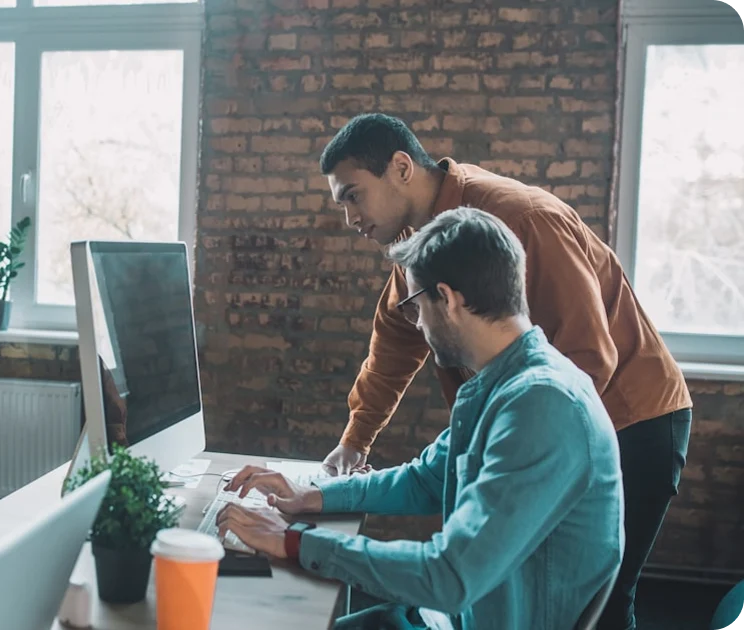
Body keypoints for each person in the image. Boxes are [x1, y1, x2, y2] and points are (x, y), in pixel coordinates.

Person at [316, 113, 690, 629]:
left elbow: (588, 354)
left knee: (589, 604)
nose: (350, 217)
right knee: (506, 585)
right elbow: (398, 336)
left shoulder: (522, 216)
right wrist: (356, 441)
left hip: (629, 413)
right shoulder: (421, 242)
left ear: (401, 168)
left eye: (352, 195)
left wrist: (519, 430)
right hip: (535, 410)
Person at [217, 207, 625, 630]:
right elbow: (426, 478)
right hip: (456, 615)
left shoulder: (541, 405)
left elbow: (449, 575)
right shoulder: (506, 383)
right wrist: (313, 495)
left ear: (446, 299)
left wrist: (293, 540)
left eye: (414, 307)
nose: (417, 325)